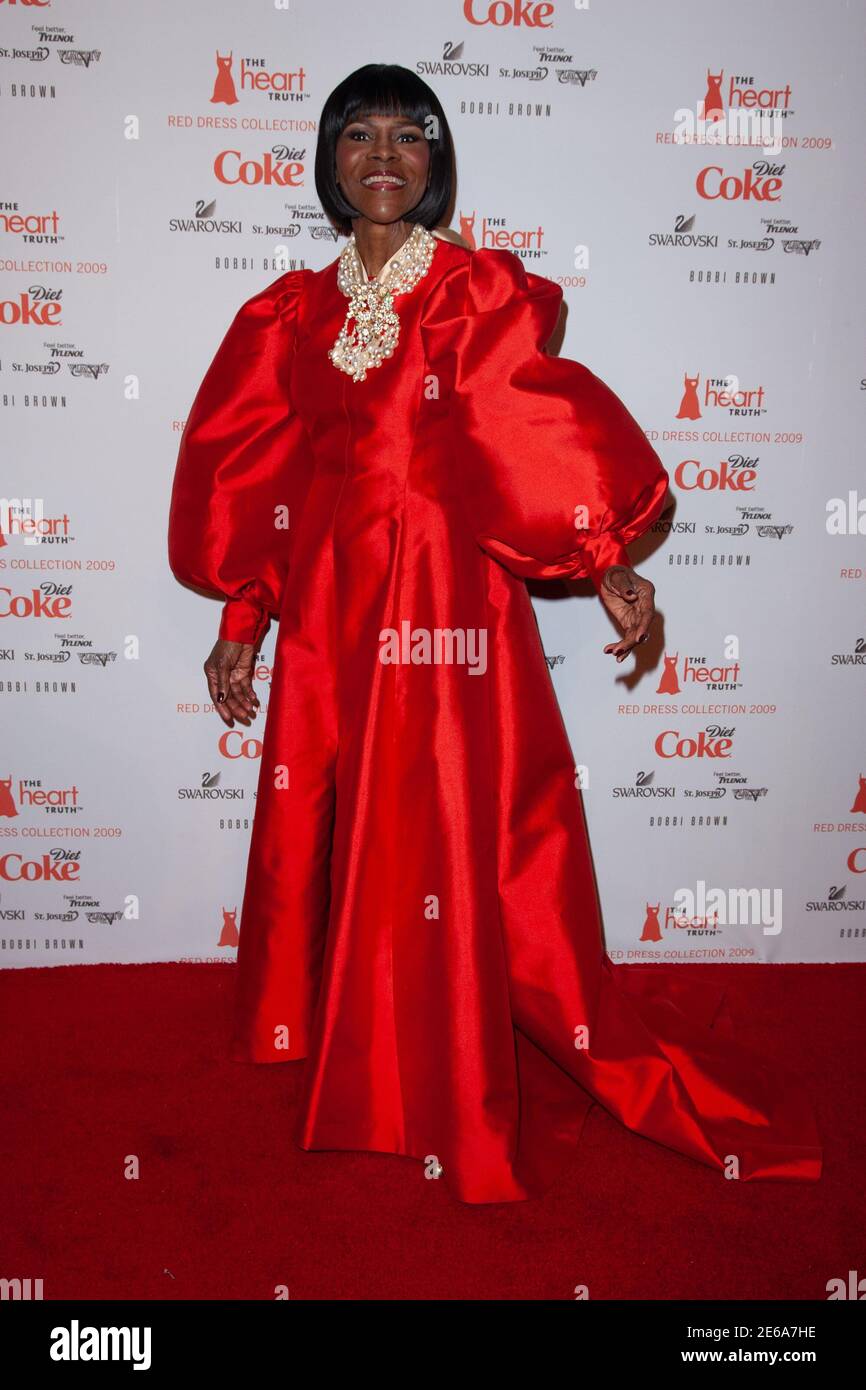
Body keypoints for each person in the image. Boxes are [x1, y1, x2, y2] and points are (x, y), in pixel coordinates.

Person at [167, 64, 822, 1204]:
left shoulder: (474, 291)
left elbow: (524, 428)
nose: (383, 155)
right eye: (359, 135)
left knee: (452, 838)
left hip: (444, 610)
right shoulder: (287, 313)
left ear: (436, 162)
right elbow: (265, 473)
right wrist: (243, 617)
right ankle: (355, 1054)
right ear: (327, 160)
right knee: (346, 830)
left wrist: (603, 556)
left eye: (408, 136)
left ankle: (451, 1075)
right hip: (329, 616)